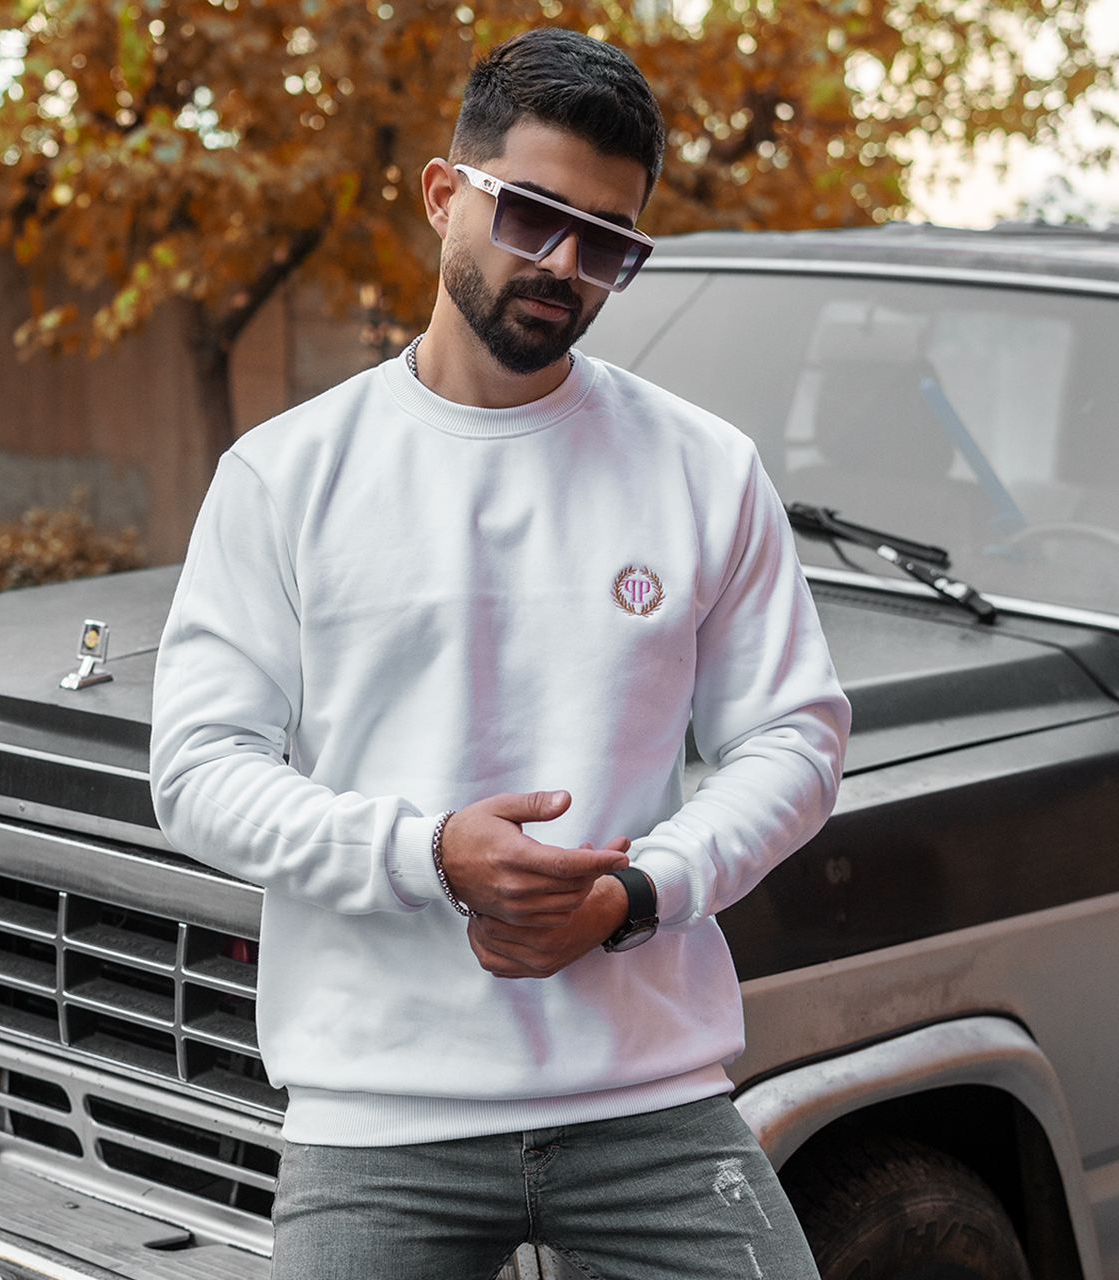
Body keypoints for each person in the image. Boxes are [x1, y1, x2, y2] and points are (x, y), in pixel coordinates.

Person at [151, 27, 850, 1280]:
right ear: (442, 193)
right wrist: (428, 853)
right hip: (376, 1112)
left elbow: (794, 740)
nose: (564, 266)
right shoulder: (286, 474)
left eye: (607, 242)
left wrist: (636, 895)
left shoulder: (701, 467)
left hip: (645, 1095)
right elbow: (199, 769)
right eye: (530, 215)